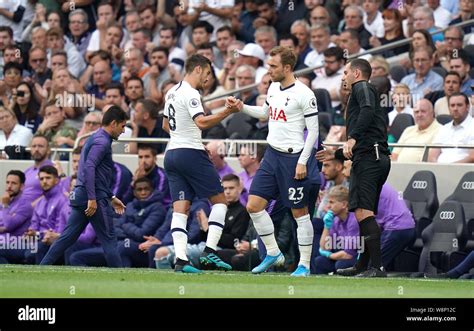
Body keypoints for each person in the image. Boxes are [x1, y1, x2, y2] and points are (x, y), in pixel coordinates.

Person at [227, 46, 321, 277]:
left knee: (300, 213)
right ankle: (272, 252)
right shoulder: (273, 87)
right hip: (271, 156)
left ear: (287, 68)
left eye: (273, 66)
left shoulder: (304, 93)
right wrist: (242, 107)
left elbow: (314, 131)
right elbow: (265, 113)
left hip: (293, 158)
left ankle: (305, 265)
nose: (268, 70)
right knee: (253, 206)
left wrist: (302, 162)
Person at [162, 54, 240, 273]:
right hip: (190, 153)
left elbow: (165, 125)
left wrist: (191, 140)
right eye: (206, 74)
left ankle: (181, 260)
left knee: (180, 209)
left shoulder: (172, 91)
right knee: (221, 202)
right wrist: (227, 111)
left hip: (172, 153)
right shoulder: (191, 93)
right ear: (197, 69)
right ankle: (210, 252)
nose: (207, 79)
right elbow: (201, 121)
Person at [316, 58, 390, 277]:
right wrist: (336, 153)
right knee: (362, 214)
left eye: (346, 72)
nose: (343, 76)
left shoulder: (363, 87)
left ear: (357, 74)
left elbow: (366, 111)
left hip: (371, 159)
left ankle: (377, 268)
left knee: (364, 212)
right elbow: (362, 138)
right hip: (368, 158)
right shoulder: (359, 92)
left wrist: (352, 138)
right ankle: (363, 265)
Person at [39, 106, 128, 267]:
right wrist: (93, 198)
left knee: (67, 237)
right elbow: (90, 167)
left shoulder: (95, 138)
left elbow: (97, 173)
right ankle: (121, 278)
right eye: (122, 126)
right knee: (109, 239)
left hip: (82, 195)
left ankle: (42, 267)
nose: (123, 131)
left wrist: (111, 197)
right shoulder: (102, 141)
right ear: (114, 123)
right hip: (92, 198)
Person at [314, 185, 359, 274]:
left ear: (344, 204)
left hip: (357, 257)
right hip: (342, 255)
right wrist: (327, 226)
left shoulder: (353, 220)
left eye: (331, 202)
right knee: (319, 261)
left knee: (341, 265)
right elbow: (325, 247)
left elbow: (349, 254)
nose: (328, 206)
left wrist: (330, 255)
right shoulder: (336, 220)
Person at [0, 170, 34, 264]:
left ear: (22, 186)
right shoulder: (3, 202)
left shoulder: (25, 205)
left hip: (17, 244)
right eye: (7, 182)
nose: (9, 186)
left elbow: (9, 225)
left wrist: (5, 206)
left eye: (13, 183)